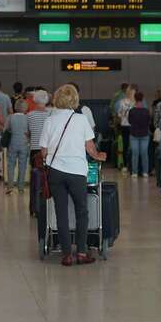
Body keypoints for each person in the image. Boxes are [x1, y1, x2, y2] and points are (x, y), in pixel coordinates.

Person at [40, 84, 107, 266]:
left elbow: (43, 151)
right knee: (81, 212)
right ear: (75, 99)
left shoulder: (49, 121)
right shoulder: (81, 119)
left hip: (55, 172)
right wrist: (99, 156)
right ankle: (82, 252)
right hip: (77, 171)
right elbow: (90, 148)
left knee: (61, 212)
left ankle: (67, 254)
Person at [4, 100, 30, 194]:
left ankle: (10, 186)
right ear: (25, 108)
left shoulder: (10, 117)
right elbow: (29, 131)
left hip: (12, 143)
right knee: (22, 166)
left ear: (15, 107)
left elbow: (6, 129)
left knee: (11, 165)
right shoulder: (27, 118)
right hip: (24, 144)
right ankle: (21, 187)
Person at [128, 91, 150, 178]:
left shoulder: (132, 111)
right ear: (143, 99)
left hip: (134, 134)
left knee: (135, 154)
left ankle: (134, 172)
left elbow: (130, 121)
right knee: (144, 154)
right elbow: (149, 122)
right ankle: (145, 172)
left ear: (135, 99)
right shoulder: (146, 111)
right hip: (145, 134)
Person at [116, 85, 136, 173]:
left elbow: (119, 114)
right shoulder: (134, 102)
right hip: (131, 126)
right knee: (130, 146)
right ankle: (129, 165)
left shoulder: (122, 102)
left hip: (125, 125)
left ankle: (126, 165)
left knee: (127, 146)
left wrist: (124, 116)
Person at [27, 89, 50, 165]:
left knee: (35, 173)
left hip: (34, 148)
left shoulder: (29, 115)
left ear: (35, 100)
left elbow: (27, 133)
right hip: (48, 148)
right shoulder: (51, 115)